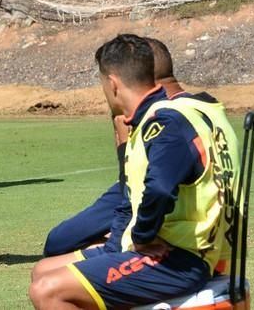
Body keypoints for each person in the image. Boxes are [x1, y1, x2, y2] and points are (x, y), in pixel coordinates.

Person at [29, 34, 240, 309]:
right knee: (42, 270)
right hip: (194, 247)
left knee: (47, 291)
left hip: (183, 257)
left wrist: (142, 237)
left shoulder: (165, 121)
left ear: (113, 83)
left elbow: (159, 188)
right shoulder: (195, 110)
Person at [43, 36, 185, 257]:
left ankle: (118, 248)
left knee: (57, 244)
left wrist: (122, 135)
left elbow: (134, 183)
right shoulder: (198, 106)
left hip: (142, 192)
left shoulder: (159, 115)